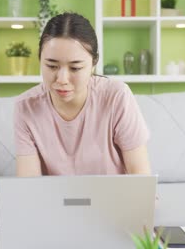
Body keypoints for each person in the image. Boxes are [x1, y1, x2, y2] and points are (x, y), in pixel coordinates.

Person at [14, 12, 151, 177]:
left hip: (111, 200)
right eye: (51, 66)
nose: (62, 79)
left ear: (93, 64)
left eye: (75, 68)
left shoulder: (116, 97)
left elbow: (140, 174)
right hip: (54, 201)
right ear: (40, 60)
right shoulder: (25, 107)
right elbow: (29, 188)